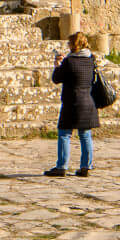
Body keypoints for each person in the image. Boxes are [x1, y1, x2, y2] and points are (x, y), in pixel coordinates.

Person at [47, 32, 102, 177]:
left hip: (72, 102)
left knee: (64, 134)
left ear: (73, 45)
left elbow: (57, 79)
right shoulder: (91, 59)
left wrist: (57, 65)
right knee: (85, 135)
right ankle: (86, 166)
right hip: (88, 101)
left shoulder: (69, 61)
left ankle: (62, 166)